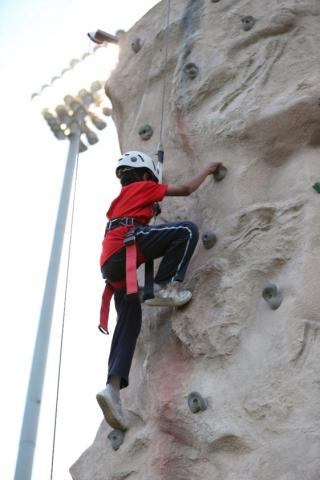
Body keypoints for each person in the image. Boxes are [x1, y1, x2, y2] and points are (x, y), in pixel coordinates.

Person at [96, 150, 221, 431]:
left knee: (128, 323)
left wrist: (151, 211)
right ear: (144, 176)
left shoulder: (123, 198)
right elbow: (187, 189)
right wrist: (207, 169)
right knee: (186, 231)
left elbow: (139, 216)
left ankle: (112, 389)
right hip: (127, 244)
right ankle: (163, 286)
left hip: (111, 264)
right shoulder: (145, 187)